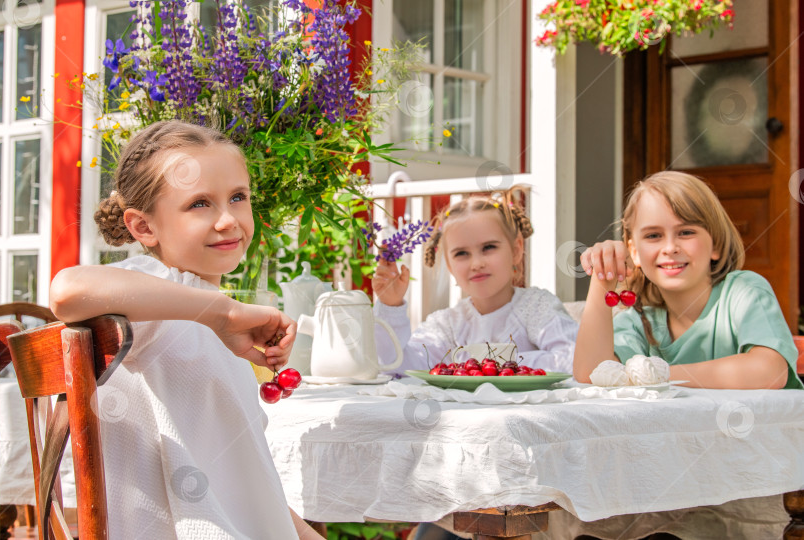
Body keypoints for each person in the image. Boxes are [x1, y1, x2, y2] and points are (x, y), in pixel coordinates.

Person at [49, 120, 324, 539]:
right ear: (143, 227)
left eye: (238, 197)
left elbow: (246, 485)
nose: (228, 220)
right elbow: (68, 290)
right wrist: (222, 313)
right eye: (200, 204)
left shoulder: (198, 309)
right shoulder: (159, 293)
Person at [574, 170, 803, 390]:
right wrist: (603, 278)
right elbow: (592, 374)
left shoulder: (744, 291)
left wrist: (659, 375)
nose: (670, 248)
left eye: (686, 232)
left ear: (716, 244)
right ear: (634, 252)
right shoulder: (638, 320)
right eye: (653, 236)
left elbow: (770, 371)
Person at [373, 191, 578, 374]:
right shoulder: (448, 324)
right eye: (462, 253)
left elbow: (572, 359)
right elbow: (398, 366)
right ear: (451, 267)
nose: (477, 263)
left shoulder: (536, 307)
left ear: (516, 250)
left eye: (488, 247)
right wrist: (391, 307)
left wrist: (480, 364)